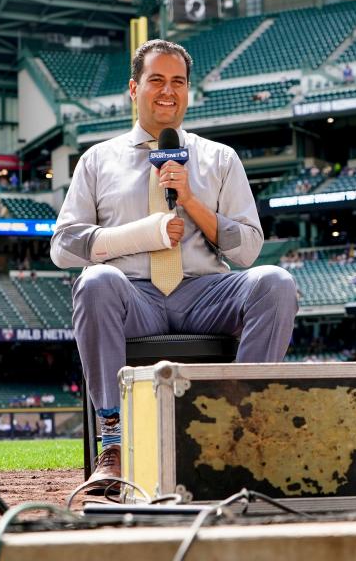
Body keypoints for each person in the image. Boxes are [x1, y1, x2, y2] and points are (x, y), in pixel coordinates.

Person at [51, 39, 298, 486]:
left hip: (204, 291)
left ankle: (241, 431)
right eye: (156, 80)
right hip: (134, 296)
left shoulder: (219, 158)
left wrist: (190, 200)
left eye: (178, 82)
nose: (168, 91)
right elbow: (63, 246)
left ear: (188, 91)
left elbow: (247, 250)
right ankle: (115, 443)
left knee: (275, 282)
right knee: (95, 282)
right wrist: (140, 234)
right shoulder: (97, 159)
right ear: (133, 88)